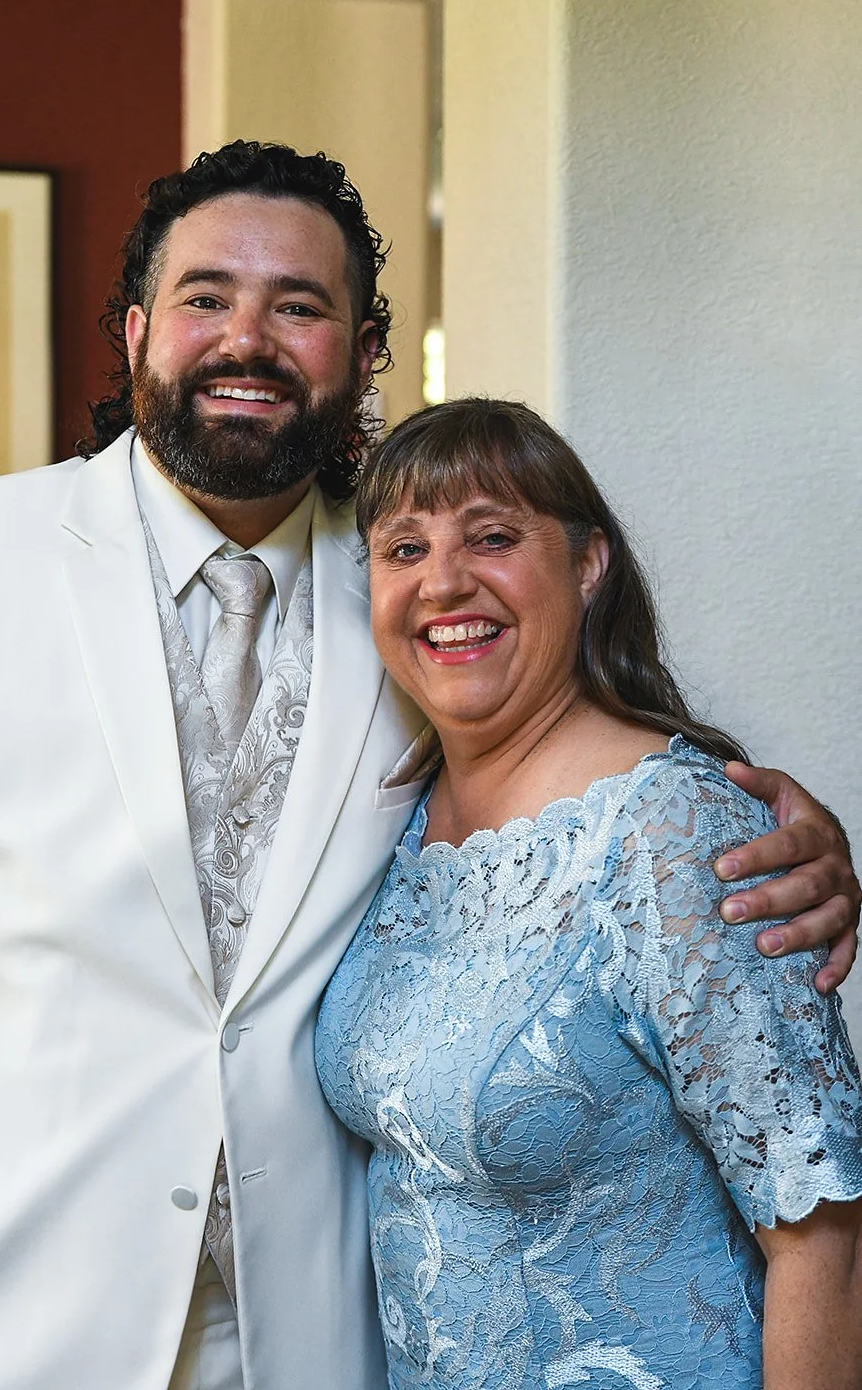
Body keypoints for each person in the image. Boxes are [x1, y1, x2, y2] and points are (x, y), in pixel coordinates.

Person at [0, 144, 855, 1390]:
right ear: (136, 333)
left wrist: (785, 829)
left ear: (361, 356)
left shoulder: (413, 590)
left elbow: (580, 782)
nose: (245, 338)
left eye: (297, 305)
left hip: (311, 1340)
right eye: (204, 297)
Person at [316, 397, 862, 1390]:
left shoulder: (675, 831)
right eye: (403, 549)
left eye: (491, 537)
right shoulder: (390, 818)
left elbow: (824, 1232)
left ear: (586, 563)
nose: (443, 580)